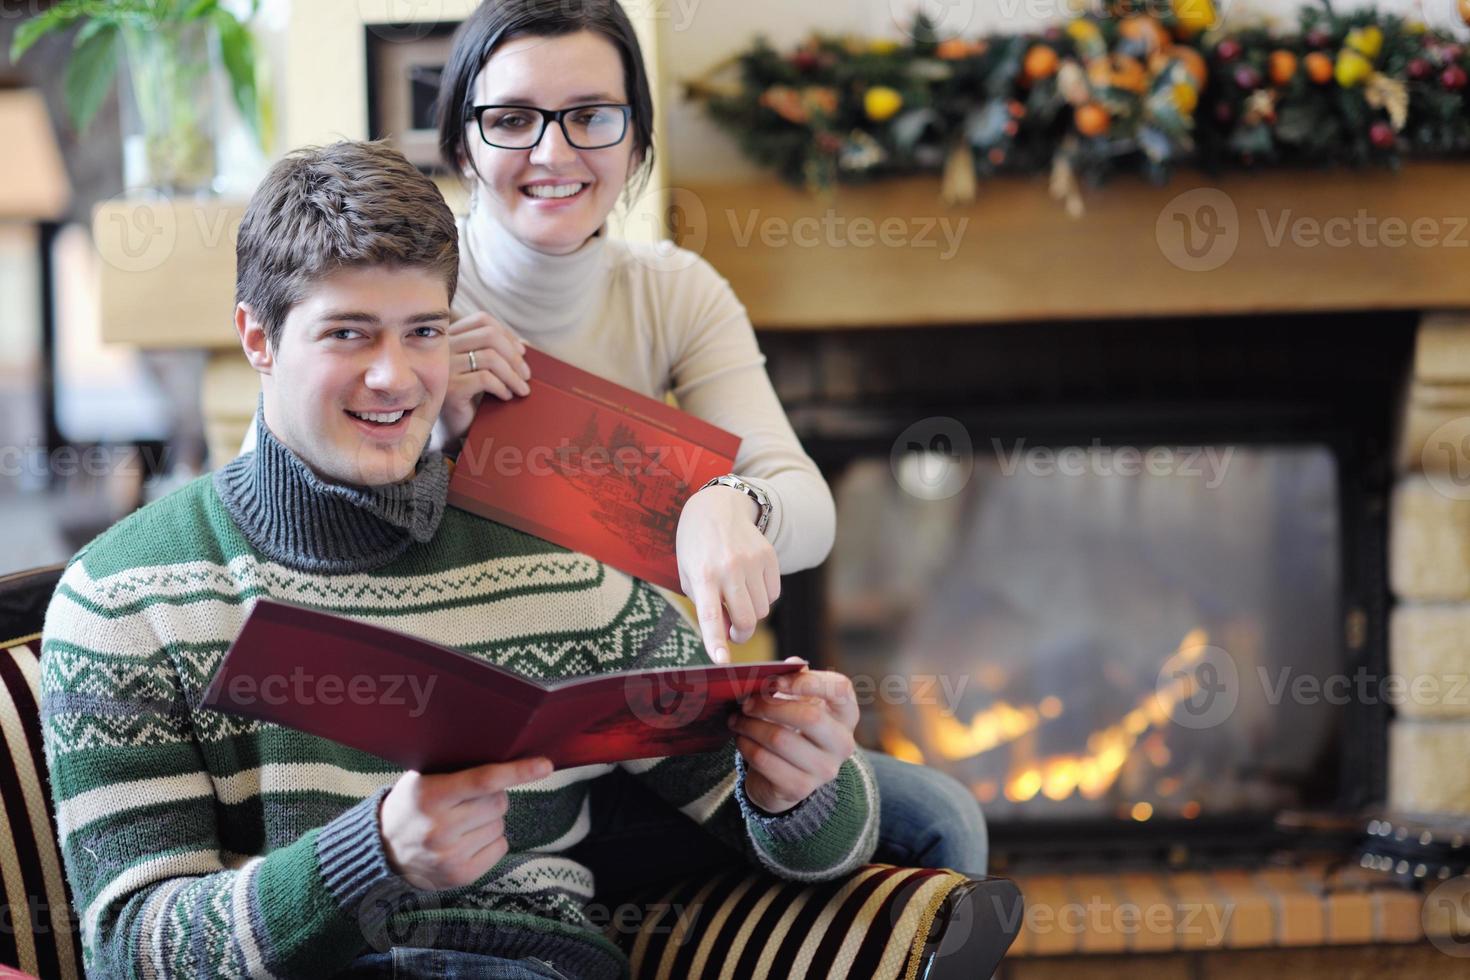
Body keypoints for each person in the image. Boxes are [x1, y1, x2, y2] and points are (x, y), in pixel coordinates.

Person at [40, 140, 878, 980]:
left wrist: (798, 790)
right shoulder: (125, 598)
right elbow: (128, 951)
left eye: (424, 332)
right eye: (348, 334)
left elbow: (791, 836)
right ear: (258, 337)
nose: (393, 377)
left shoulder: (557, 558)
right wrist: (366, 858)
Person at [431, 0, 987, 888]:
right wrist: (429, 416)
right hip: (477, 758)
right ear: (462, 146)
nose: (553, 151)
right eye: (511, 120)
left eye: (592, 117)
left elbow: (810, 509)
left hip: (646, 732)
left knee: (936, 821)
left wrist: (728, 500)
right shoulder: (410, 298)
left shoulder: (674, 291)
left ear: (638, 144)